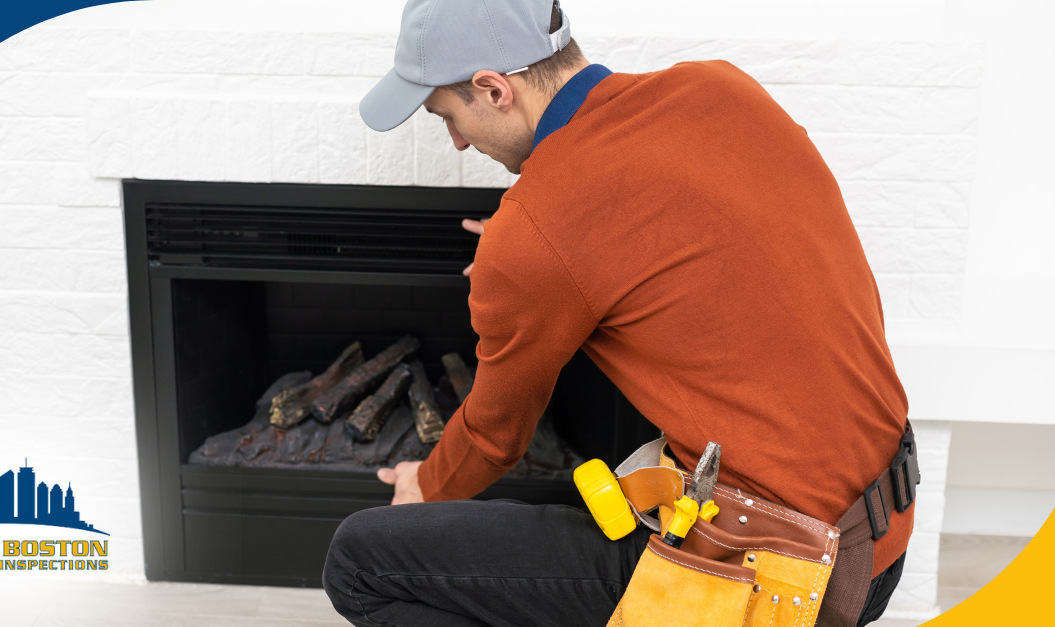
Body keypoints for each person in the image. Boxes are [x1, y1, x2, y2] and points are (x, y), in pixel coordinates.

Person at [323, 1, 912, 626]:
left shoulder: (539, 229)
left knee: (359, 564)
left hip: (782, 578)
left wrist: (424, 484)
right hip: (878, 533)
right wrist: (535, 248)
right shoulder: (721, 87)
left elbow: (496, 439)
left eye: (448, 116)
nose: (459, 141)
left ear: (493, 90)